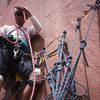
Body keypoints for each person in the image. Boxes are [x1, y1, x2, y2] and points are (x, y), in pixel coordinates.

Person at [0, 6, 42, 100]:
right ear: (14, 15)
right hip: (6, 54)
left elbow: (39, 28)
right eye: (19, 14)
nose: (22, 17)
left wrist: (29, 13)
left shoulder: (28, 30)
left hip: (21, 59)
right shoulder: (6, 28)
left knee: (37, 74)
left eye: (24, 15)